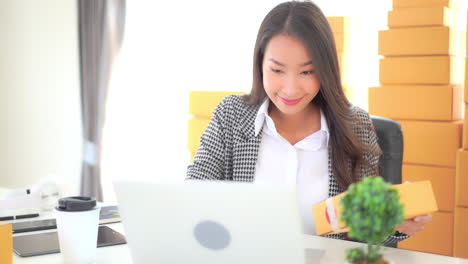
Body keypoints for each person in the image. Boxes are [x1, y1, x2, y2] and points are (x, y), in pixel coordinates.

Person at [186, 0, 431, 245]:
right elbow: (194, 191)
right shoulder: (231, 115)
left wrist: (394, 222)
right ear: (260, 64)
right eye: (277, 70)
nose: (290, 89)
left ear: (325, 71)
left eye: (307, 72)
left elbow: (366, 230)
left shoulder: (355, 125)